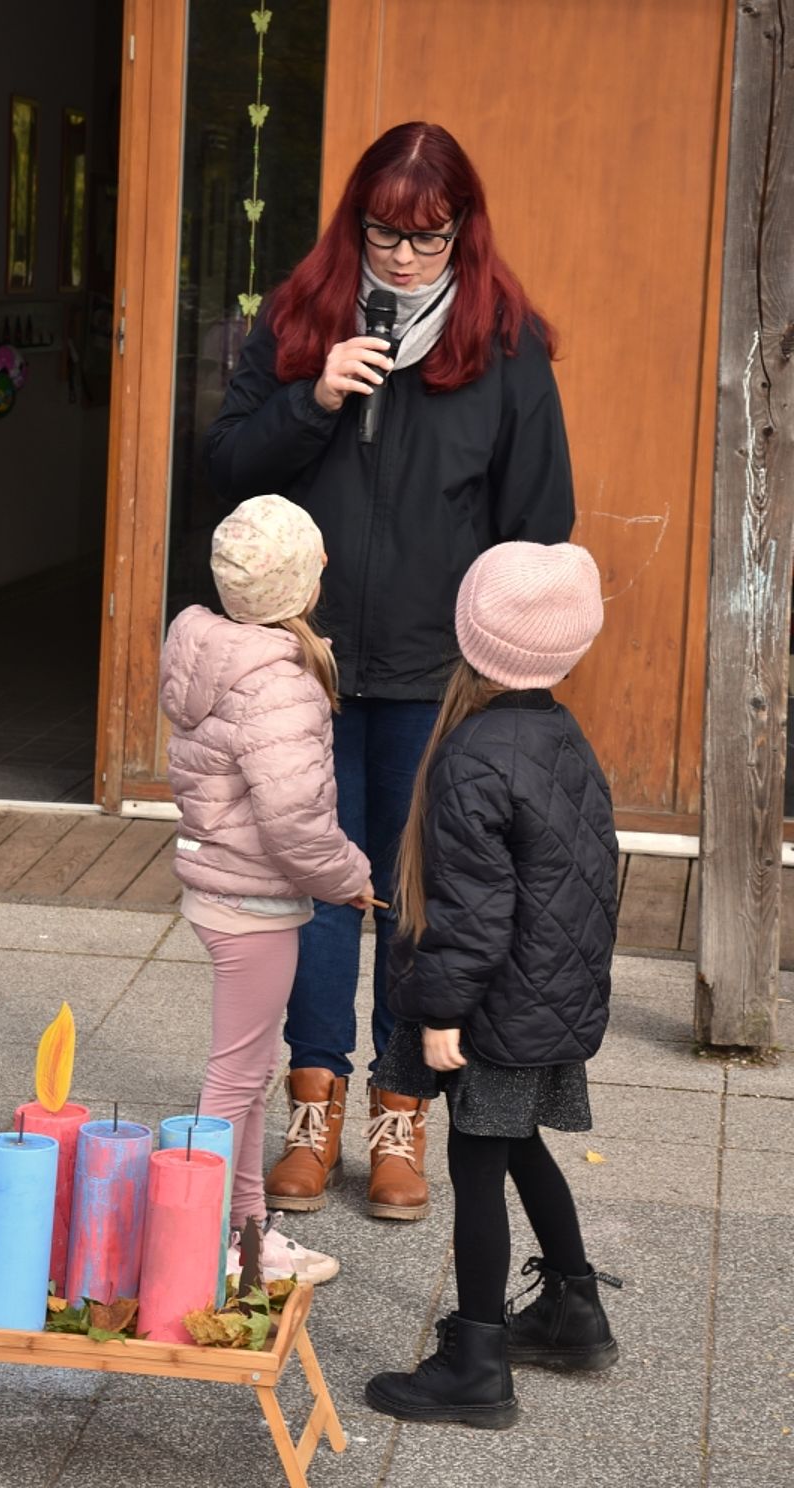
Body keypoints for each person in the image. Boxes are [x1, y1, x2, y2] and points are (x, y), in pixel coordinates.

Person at [206, 121, 575, 1221]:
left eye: (428, 238)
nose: (404, 261)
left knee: (417, 902)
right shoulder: (298, 318)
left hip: (435, 676)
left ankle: (400, 1109)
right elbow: (224, 469)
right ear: (353, 223)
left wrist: (500, 676)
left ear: (463, 230)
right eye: (384, 236)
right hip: (305, 668)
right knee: (319, 889)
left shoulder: (507, 344)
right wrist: (312, 399)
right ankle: (311, 1109)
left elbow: (538, 525)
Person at [364, 541, 620, 1430]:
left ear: (470, 635)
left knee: (478, 1165)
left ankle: (476, 1363)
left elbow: (473, 913)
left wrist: (437, 1015)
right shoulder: (560, 737)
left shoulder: (474, 752)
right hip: (545, 994)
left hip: (492, 1006)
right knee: (516, 1148)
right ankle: (573, 1313)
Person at [159, 493, 374, 1286]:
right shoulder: (281, 685)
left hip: (222, 887)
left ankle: (249, 1233)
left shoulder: (210, 656)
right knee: (236, 1077)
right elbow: (295, 821)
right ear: (305, 584)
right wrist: (351, 877)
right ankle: (198, 1239)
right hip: (253, 901)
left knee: (247, 1076)